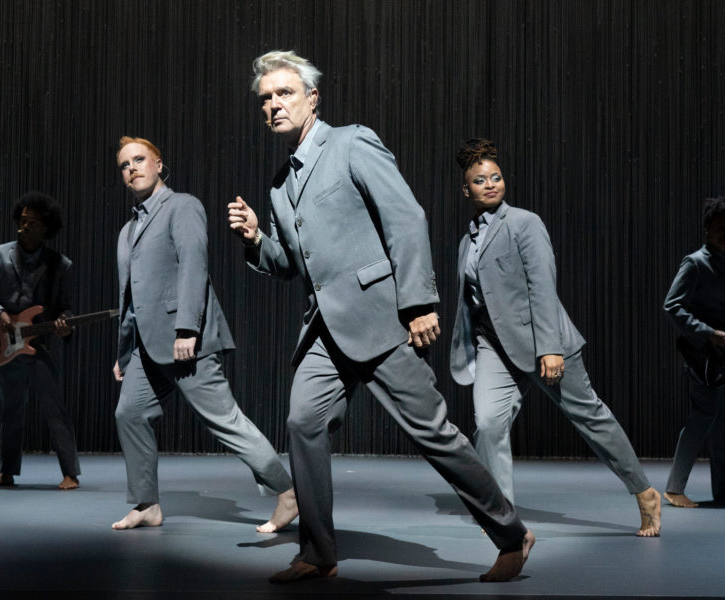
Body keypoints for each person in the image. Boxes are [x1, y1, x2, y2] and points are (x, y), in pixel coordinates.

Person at [228, 50, 534, 584]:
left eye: (284, 93)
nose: (273, 105)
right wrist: (256, 240)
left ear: (312, 98)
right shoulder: (278, 186)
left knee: (433, 434)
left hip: (381, 319)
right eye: (266, 99)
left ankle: (512, 534)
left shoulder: (352, 142)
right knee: (302, 422)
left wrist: (417, 304)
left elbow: (405, 217)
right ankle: (318, 553)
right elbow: (292, 265)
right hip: (323, 330)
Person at [449, 138, 661, 536]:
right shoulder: (467, 241)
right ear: (466, 189)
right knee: (488, 424)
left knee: (589, 416)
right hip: (494, 345)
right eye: (480, 180)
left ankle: (644, 491)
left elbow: (542, 286)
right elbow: (473, 301)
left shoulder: (524, 223)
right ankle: (502, 516)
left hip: (541, 342)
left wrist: (549, 348)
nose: (490, 185)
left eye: (496, 177)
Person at [111, 136, 297, 532]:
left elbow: (194, 266)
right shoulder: (128, 231)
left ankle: (287, 492)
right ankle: (146, 504)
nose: (132, 169)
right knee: (129, 413)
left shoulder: (182, 206)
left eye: (139, 159)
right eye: (125, 165)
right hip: (146, 347)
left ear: (159, 164)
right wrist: (124, 353)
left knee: (224, 420)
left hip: (185, 341)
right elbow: (130, 299)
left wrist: (187, 329)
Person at [0, 192, 81, 490]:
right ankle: (6, 472)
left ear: (46, 227)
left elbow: (65, 308)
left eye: (32, 223)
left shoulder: (60, 265)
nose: (24, 227)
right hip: (5, 345)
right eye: (22, 221)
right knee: (10, 409)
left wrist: (65, 324)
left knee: (54, 408)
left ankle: (71, 473)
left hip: (40, 346)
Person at [662, 195, 725, 507]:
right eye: (720, 228)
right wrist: (709, 333)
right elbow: (672, 306)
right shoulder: (696, 263)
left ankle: (722, 492)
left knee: (721, 423)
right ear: (707, 230)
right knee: (702, 417)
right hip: (704, 358)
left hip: (722, 358)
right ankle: (674, 489)